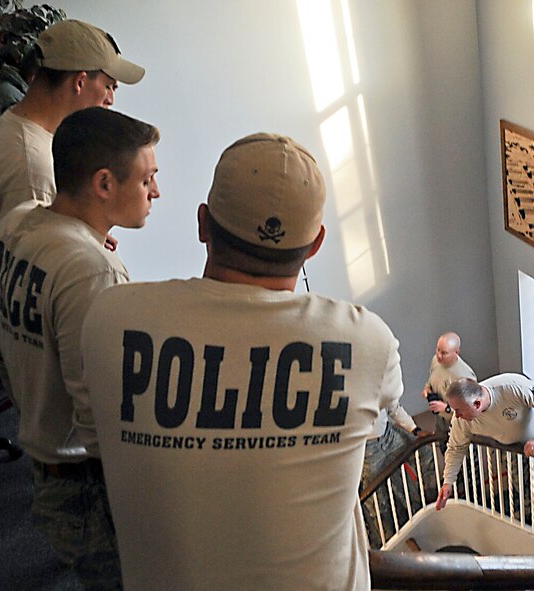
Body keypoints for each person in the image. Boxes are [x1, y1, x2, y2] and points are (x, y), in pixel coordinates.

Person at [80, 133, 406, 591]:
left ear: (203, 224)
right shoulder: (367, 342)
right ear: (315, 245)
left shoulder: (111, 322)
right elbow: (383, 416)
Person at [0, 107, 161, 588]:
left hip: (44, 454)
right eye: (147, 178)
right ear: (104, 184)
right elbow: (99, 412)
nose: (156, 192)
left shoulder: (19, 220)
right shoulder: (90, 270)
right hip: (85, 484)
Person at [0, 18, 145, 398]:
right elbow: (30, 269)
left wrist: (82, 233)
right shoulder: (31, 164)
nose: (112, 99)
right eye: (109, 85)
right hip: (28, 343)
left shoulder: (13, 124)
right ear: (80, 82)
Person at [435, 375, 534, 511]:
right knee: (524, 489)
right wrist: (448, 482)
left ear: (477, 404)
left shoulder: (513, 387)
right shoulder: (461, 420)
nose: (456, 416)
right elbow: (455, 449)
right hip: (511, 446)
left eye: (458, 410)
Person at [362, 400, 430, 547]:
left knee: (423, 455)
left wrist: (415, 429)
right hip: (365, 448)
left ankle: (421, 514)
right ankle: (388, 543)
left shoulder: (379, 379)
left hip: (388, 434)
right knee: (378, 502)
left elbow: (393, 407)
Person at [421, 331, 476, 442]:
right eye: (438, 350)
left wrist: (446, 408)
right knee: (443, 447)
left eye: (444, 353)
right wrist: (428, 388)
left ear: (456, 352)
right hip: (440, 419)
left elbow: (472, 408)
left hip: (459, 423)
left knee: (464, 453)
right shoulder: (436, 361)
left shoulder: (464, 376)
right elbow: (432, 378)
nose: (439, 356)